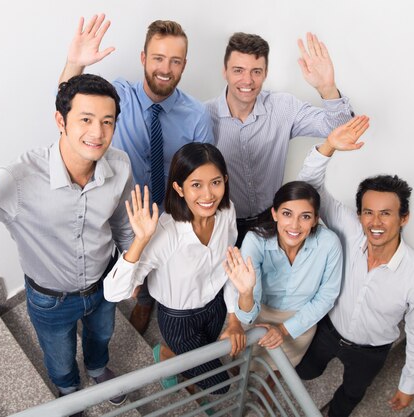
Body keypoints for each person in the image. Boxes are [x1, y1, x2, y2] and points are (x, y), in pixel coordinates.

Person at [0, 74, 133, 413]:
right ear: (60, 120)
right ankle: (70, 391)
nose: (97, 133)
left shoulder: (120, 164)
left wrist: (132, 267)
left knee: (101, 337)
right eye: (85, 119)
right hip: (51, 300)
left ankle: (98, 370)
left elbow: (122, 225)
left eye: (107, 121)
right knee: (59, 356)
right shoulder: (18, 180)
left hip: (104, 285)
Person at [60, 14, 214, 333]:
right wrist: (75, 63)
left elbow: (203, 170)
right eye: (158, 58)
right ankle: (143, 299)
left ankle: (155, 302)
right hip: (123, 212)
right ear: (143, 58)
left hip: (173, 212)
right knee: (125, 267)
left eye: (175, 61)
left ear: (184, 65)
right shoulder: (118, 96)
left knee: (172, 269)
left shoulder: (196, 114)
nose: (165, 68)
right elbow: (69, 108)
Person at [295, 116, 414, 417]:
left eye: (386, 213)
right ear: (359, 214)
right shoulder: (349, 228)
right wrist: (329, 146)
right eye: (368, 212)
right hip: (327, 330)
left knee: (351, 393)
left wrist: (408, 384)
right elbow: (307, 188)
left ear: (404, 218)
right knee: (305, 371)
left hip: (370, 352)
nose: (375, 222)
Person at [104, 143, 245, 397]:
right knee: (220, 385)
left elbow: (229, 265)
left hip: (215, 308)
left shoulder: (227, 212)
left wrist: (234, 318)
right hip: (179, 319)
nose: (208, 195)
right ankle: (168, 354)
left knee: (207, 351)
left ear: (225, 180)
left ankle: (178, 360)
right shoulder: (166, 233)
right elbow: (113, 293)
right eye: (196, 185)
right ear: (179, 188)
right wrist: (141, 240)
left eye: (215, 182)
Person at [206, 32, 354, 246]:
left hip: (273, 223)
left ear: (265, 73)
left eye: (256, 71)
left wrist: (327, 89)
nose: (247, 80)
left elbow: (340, 129)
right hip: (222, 228)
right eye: (238, 70)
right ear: (225, 71)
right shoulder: (203, 116)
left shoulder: (283, 107)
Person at [224, 181, 342, 366]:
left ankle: (266, 390)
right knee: (245, 362)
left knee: (283, 367)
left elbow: (327, 296)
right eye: (287, 214)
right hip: (259, 313)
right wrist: (246, 293)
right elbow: (248, 316)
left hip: (301, 320)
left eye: (305, 216)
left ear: (315, 219)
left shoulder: (329, 243)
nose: (294, 225)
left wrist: (284, 329)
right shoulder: (255, 240)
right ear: (274, 213)